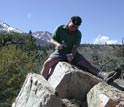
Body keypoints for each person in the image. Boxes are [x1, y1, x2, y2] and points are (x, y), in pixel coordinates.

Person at [40, 16, 118, 83]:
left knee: (86, 64)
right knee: (47, 64)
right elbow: (52, 40)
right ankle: (42, 82)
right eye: (73, 26)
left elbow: (75, 47)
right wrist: (57, 44)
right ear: (69, 21)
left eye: (76, 27)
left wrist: (72, 55)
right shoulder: (60, 28)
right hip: (60, 52)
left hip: (71, 53)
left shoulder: (78, 34)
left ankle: (104, 75)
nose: (74, 28)